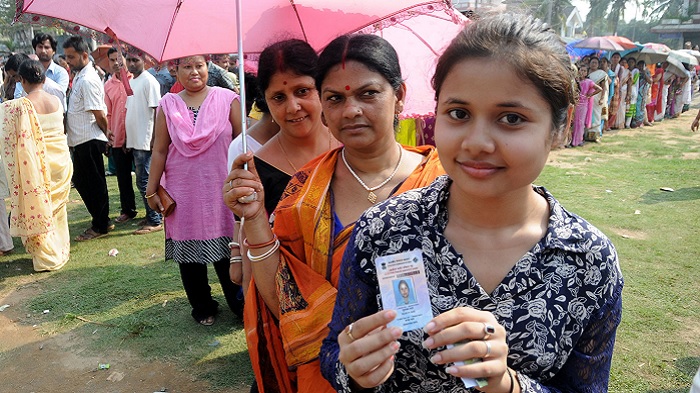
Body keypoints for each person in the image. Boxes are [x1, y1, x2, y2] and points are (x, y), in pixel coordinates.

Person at [321, 13, 623, 392]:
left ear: (558, 130)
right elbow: (334, 349)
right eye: (459, 114)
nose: (477, 142)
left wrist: (507, 383)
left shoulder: (588, 259)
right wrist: (353, 369)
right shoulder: (385, 229)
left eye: (511, 118)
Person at [224, 34, 444, 393]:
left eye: (368, 93)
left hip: (429, 371)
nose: (351, 110)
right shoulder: (302, 193)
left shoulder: (441, 182)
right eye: (336, 98)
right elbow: (283, 301)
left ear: (400, 95)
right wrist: (253, 219)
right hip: (330, 374)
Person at [145, 55, 244, 326]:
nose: (194, 72)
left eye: (199, 65)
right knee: (190, 257)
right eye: (186, 66)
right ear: (175, 70)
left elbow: (243, 142)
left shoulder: (228, 99)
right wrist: (151, 189)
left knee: (229, 248)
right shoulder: (168, 105)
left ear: (207, 66)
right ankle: (202, 306)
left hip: (222, 188)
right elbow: (160, 149)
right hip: (183, 189)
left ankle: (240, 303)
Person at [0, 59, 73, 271]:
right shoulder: (56, 100)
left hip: (38, 164)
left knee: (40, 208)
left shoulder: (23, 105)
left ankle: (46, 257)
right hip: (60, 161)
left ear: (21, 80)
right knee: (57, 210)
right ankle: (60, 249)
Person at [63, 36, 114, 241]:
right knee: (84, 182)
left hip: (90, 140)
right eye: (66, 57)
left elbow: (99, 114)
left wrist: (106, 135)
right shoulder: (81, 76)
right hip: (81, 140)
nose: (68, 61)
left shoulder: (88, 79)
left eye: (71, 57)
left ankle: (100, 225)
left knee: (93, 184)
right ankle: (101, 220)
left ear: (84, 55)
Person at [125, 52, 163, 234]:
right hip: (136, 140)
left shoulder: (149, 81)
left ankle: (155, 220)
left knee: (146, 181)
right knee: (141, 181)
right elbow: (131, 111)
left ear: (145, 61)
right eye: (129, 60)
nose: (131, 63)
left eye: (135, 60)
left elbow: (157, 111)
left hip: (145, 140)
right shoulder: (132, 81)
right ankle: (150, 216)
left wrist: (155, 138)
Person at [104, 48, 137, 224]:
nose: (116, 63)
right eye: (112, 60)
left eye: (118, 59)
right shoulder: (108, 86)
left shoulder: (136, 80)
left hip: (137, 136)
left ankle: (153, 212)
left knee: (144, 176)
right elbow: (108, 113)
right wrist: (108, 136)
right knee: (123, 178)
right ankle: (128, 210)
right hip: (117, 137)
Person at [572, 65, 601, 147]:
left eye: (584, 71)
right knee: (574, 122)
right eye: (581, 70)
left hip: (583, 104)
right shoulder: (576, 81)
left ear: (587, 72)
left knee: (580, 123)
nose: (582, 72)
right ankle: (573, 140)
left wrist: (590, 94)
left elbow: (599, 89)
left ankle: (579, 140)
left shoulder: (588, 82)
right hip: (576, 103)